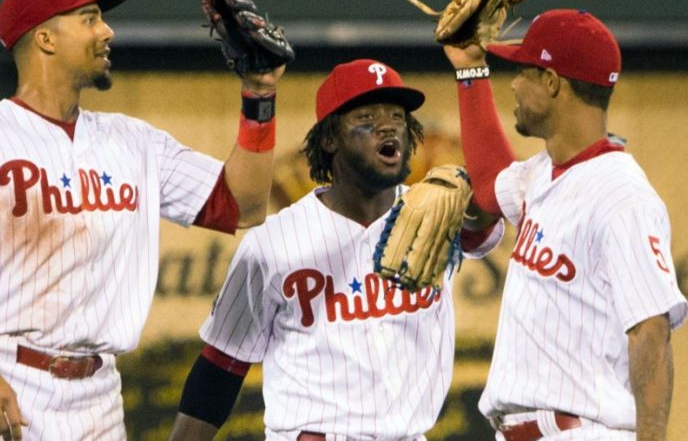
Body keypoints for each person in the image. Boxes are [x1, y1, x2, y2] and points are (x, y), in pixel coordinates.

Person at [0, 0, 284, 440]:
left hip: (97, 398)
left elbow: (244, 205)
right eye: (88, 19)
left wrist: (260, 96)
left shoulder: (135, 142)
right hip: (1, 378)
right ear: (44, 38)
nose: (107, 32)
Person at [168, 59, 502, 440]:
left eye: (397, 115)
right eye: (366, 116)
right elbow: (220, 367)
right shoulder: (273, 242)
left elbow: (486, 217)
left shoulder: (437, 216)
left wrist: (468, 192)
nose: (388, 124)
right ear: (330, 139)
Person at [442, 9, 687, 439]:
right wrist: (470, 69)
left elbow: (650, 334)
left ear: (552, 82)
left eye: (524, 71)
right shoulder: (544, 172)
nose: (515, 84)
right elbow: (487, 187)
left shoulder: (622, 196)